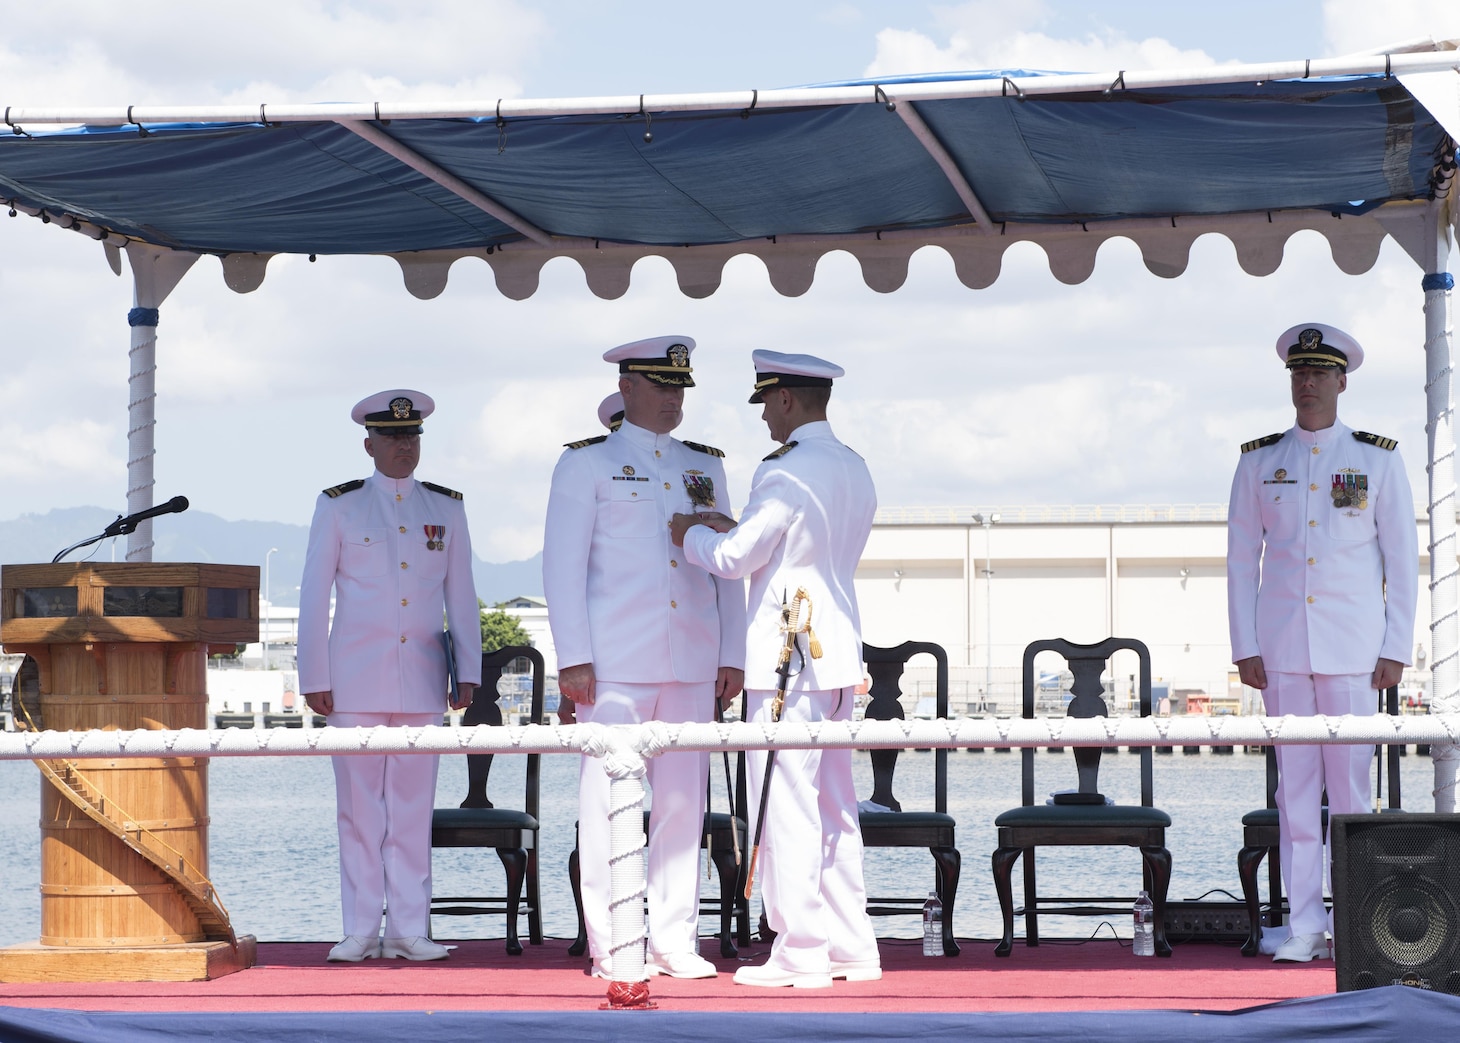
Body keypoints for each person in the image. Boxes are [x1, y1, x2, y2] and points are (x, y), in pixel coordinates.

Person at [669, 349, 880, 989]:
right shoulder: (852, 465)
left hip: (787, 662)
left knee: (785, 809)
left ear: (786, 399)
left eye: (765, 404)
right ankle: (850, 945)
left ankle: (800, 951)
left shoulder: (784, 470)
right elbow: (799, 549)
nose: (763, 417)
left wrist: (687, 532)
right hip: (837, 656)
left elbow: (735, 558)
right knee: (835, 808)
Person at [543, 336, 746, 979]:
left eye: (679, 387)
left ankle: (674, 939)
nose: (672, 399)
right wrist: (573, 656)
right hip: (615, 662)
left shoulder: (704, 466)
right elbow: (562, 568)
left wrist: (732, 652)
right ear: (626, 387)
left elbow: (726, 569)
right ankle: (611, 943)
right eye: (660, 386)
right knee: (606, 807)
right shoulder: (585, 466)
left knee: (685, 804)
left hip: (690, 658)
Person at [1227, 324, 1418, 963]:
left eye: (1318, 374)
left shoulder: (1376, 459)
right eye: (1298, 374)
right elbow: (1239, 560)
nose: (1306, 384)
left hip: (1355, 652)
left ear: (1342, 381)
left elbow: (1401, 559)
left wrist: (1395, 645)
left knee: (1354, 795)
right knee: (1295, 796)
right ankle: (1305, 926)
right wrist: (1244, 643)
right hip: (1283, 649)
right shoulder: (1259, 460)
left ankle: (1358, 926)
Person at [299, 389, 481, 963]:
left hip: (423, 679)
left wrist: (469, 668)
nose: (405, 446)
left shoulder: (446, 508)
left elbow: (462, 596)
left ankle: (408, 928)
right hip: (353, 680)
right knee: (358, 810)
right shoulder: (340, 506)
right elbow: (312, 595)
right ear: (368, 443)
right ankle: (358, 929)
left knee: (410, 810)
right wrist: (313, 672)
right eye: (393, 436)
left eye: (413, 436)